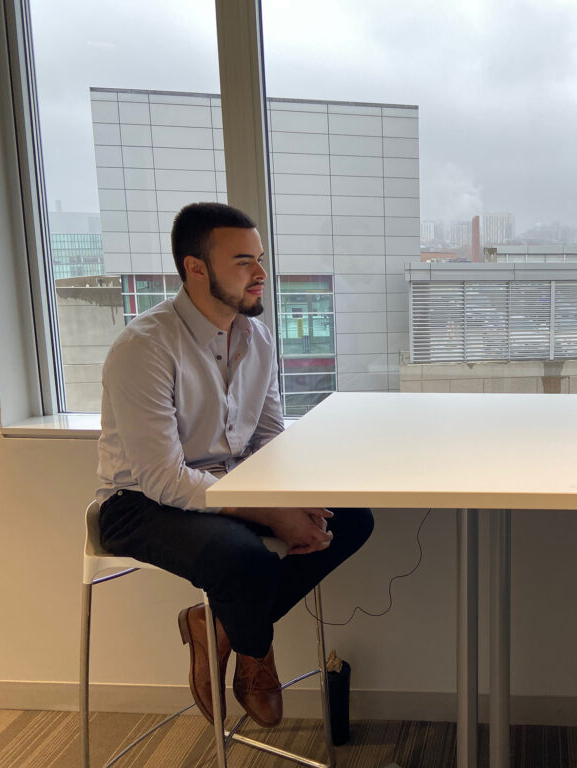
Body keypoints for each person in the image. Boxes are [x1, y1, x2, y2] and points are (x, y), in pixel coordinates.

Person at [96, 202, 374, 728]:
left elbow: (269, 439)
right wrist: (270, 514)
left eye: (260, 259)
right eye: (244, 262)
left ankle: (218, 627)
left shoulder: (257, 339)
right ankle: (254, 651)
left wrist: (292, 501)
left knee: (352, 518)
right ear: (195, 269)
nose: (262, 274)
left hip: (230, 484)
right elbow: (163, 478)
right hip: (138, 503)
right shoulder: (144, 347)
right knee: (245, 560)